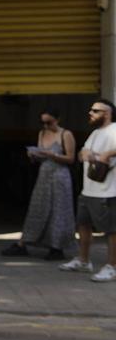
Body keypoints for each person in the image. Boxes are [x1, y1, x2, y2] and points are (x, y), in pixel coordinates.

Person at [1, 110, 77, 262]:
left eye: (49, 122)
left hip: (59, 176)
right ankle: (25, 242)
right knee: (38, 208)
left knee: (58, 211)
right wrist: (34, 155)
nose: (46, 125)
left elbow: (70, 158)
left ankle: (56, 247)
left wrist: (52, 155)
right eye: (43, 122)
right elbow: (40, 155)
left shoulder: (66, 134)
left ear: (58, 119)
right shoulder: (42, 134)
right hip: (44, 174)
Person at [60, 99, 116, 280]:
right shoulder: (95, 133)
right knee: (83, 225)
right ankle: (84, 261)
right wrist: (85, 154)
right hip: (88, 189)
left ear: (106, 114)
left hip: (108, 190)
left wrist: (106, 154)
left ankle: (112, 267)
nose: (90, 113)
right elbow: (82, 153)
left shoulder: (114, 130)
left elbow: (101, 155)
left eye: (95, 110)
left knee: (112, 230)